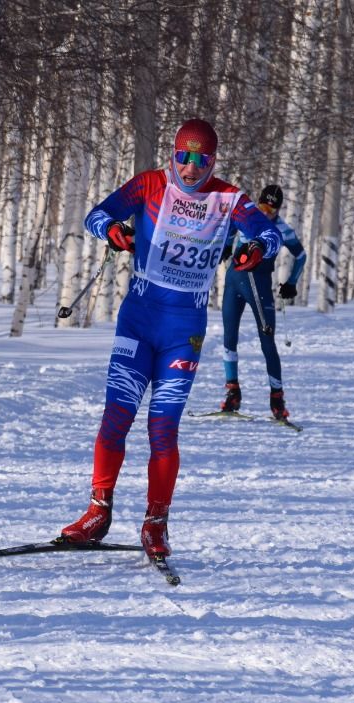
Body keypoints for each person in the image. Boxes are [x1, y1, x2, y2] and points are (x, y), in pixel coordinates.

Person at [60, 118, 283, 560]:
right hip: (139, 321)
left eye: (202, 159)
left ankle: (155, 523)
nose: (192, 167)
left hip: (184, 332)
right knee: (116, 416)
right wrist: (112, 231)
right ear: (172, 155)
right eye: (184, 156)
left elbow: (271, 233)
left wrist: (257, 249)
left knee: (162, 427)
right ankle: (97, 512)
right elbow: (95, 215)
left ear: (214, 160)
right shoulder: (148, 185)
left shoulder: (228, 198)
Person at [217, 183, 306, 420]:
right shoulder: (246, 217)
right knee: (229, 338)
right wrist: (225, 248)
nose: (265, 213)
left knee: (267, 341)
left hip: (261, 287)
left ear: (278, 210)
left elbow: (301, 255)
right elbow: (231, 230)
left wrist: (291, 283)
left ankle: (277, 398)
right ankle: (232, 392)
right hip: (234, 282)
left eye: (271, 210)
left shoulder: (281, 230)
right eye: (263, 206)